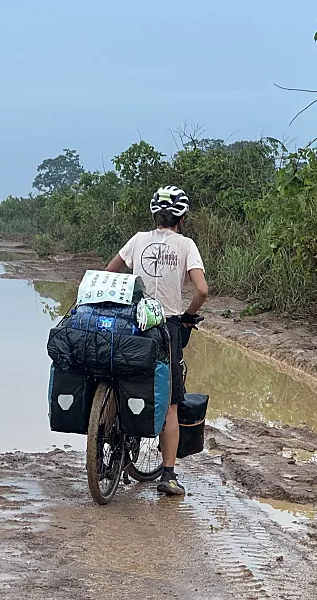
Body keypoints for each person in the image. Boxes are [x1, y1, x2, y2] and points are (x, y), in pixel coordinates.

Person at [105, 185, 208, 496]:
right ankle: (168, 475)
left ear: (154, 214)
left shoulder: (138, 241)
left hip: (132, 324)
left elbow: (110, 273)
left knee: (120, 379)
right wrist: (188, 315)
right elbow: (202, 291)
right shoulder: (186, 245)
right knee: (171, 403)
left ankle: (108, 448)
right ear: (182, 217)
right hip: (166, 327)